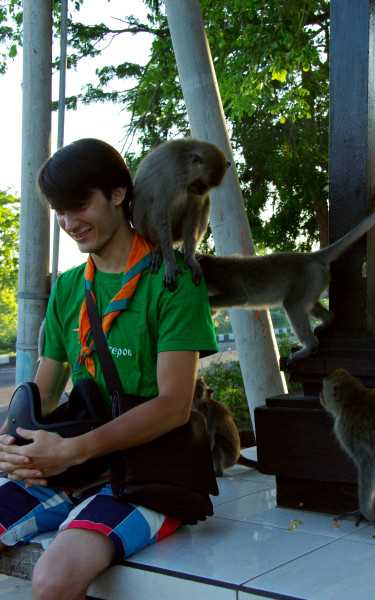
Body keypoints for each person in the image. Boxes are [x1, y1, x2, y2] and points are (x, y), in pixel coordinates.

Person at [0, 138, 218, 600]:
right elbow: (44, 389)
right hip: (78, 464)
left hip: (151, 473)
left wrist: (75, 449)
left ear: (118, 194)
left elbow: (174, 406)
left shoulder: (173, 280)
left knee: (54, 579)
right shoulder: (68, 288)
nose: (68, 223)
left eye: (78, 205)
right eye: (59, 211)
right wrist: (15, 445)